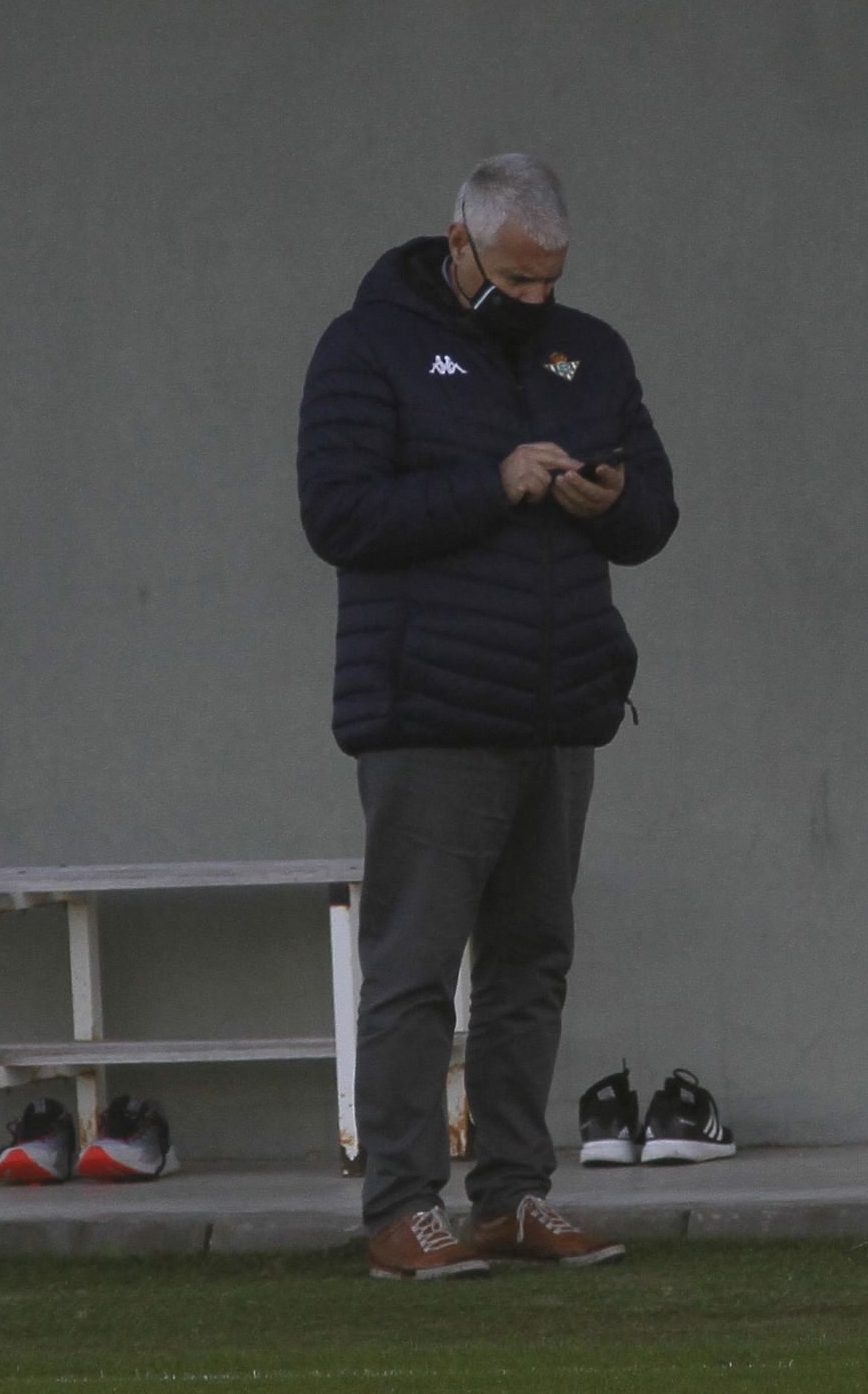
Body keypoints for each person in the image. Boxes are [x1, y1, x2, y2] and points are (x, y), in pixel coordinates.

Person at [297, 153, 679, 1280]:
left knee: (531, 965)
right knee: (415, 968)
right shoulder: (365, 346)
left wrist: (614, 499)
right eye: (514, 278)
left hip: (558, 711)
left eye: (549, 278)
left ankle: (514, 1197)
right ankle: (402, 1209)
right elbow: (337, 514)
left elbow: (655, 515)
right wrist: (492, 480)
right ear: (458, 242)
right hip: (429, 713)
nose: (534, 298)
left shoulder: (590, 351)